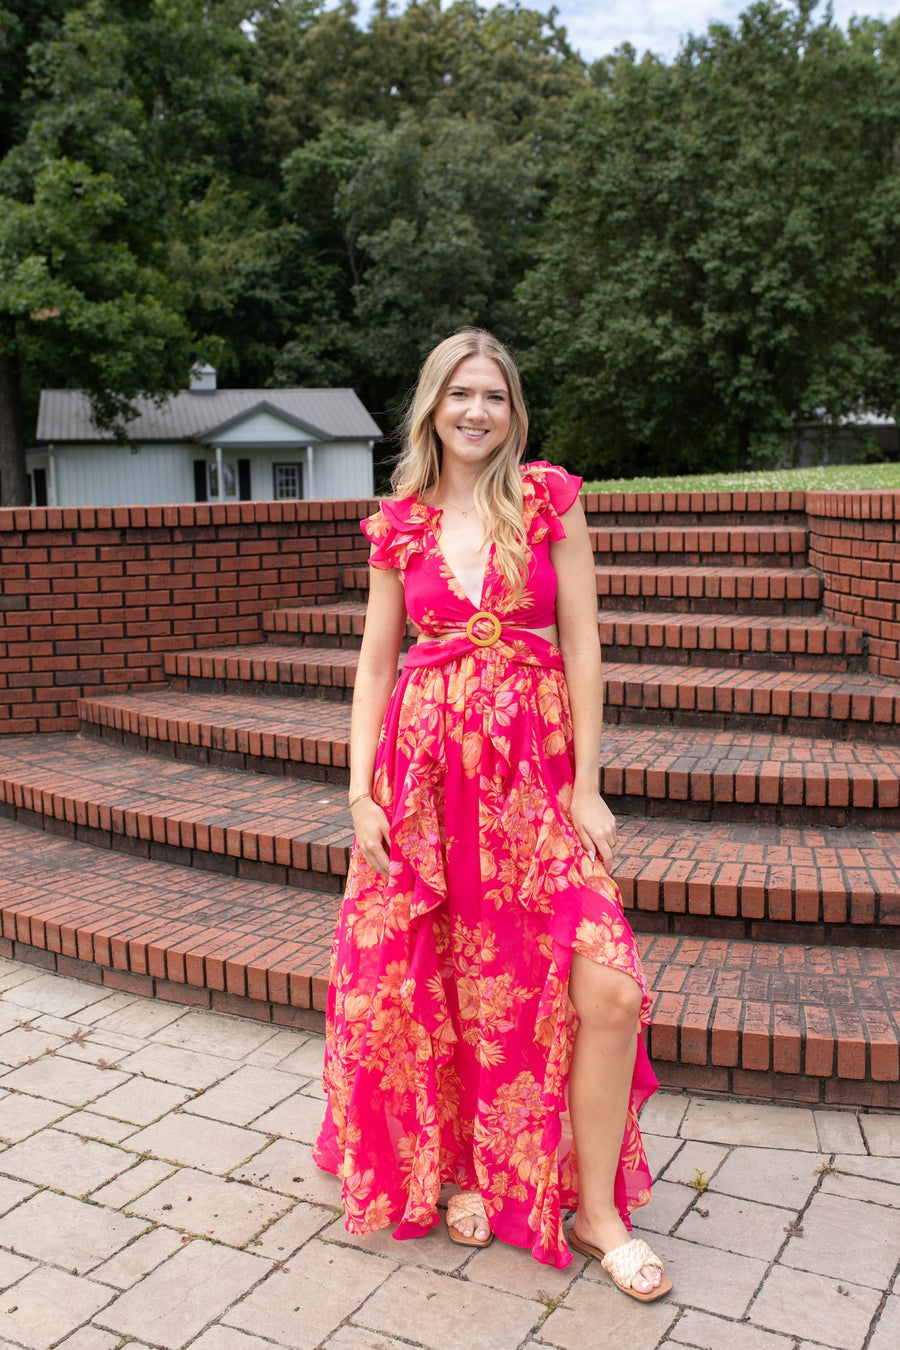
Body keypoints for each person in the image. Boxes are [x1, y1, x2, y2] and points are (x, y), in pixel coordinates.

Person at [313, 329, 671, 1301]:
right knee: (445, 983)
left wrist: (590, 783)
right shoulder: (400, 525)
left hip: (539, 785)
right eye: (461, 394)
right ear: (432, 404)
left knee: (609, 991)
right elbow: (377, 665)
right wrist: (359, 791)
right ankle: (462, 1169)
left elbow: (586, 643)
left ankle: (596, 1212)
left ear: (514, 414)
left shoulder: (550, 499)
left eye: (497, 397)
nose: (478, 411)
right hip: (427, 785)